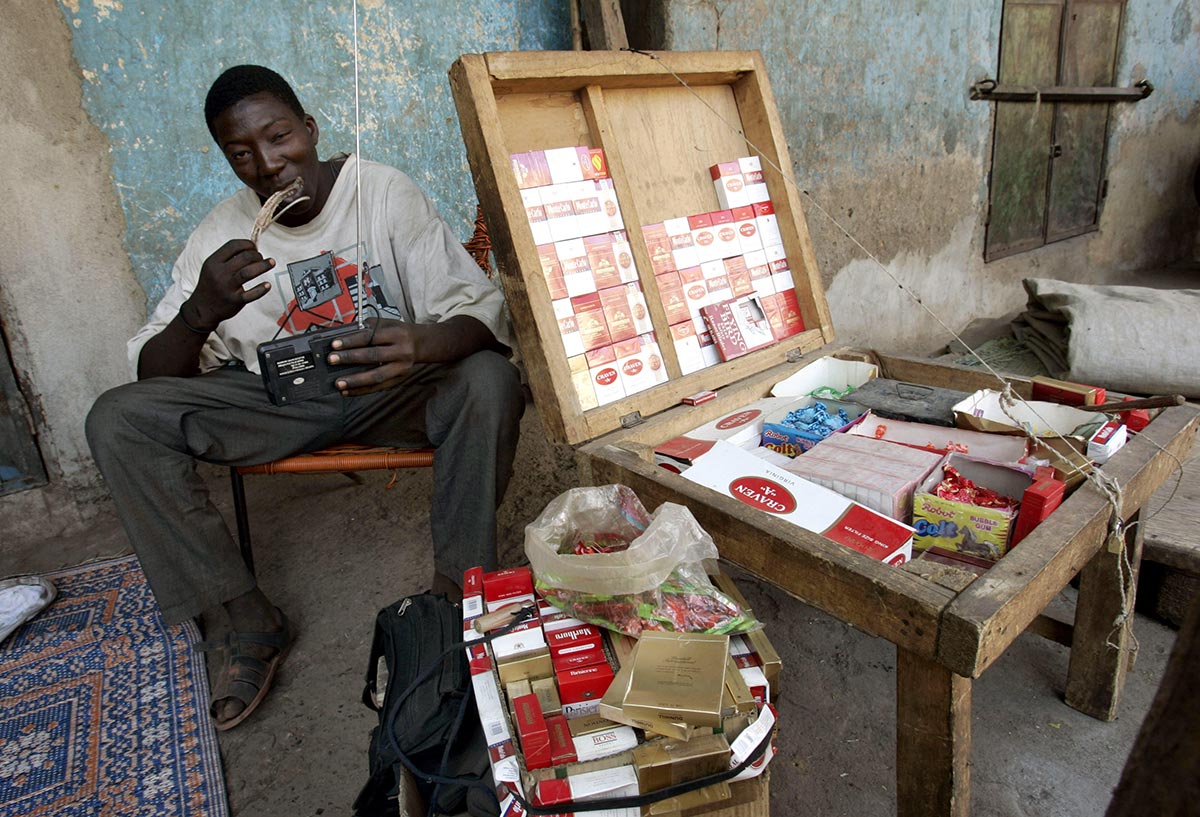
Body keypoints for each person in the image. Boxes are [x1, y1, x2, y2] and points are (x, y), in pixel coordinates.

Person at [85, 65, 524, 731]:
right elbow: (155, 376)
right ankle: (248, 618)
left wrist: (421, 344)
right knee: (117, 420)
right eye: (241, 153)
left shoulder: (381, 193)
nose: (267, 164)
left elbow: (481, 317)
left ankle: (454, 599)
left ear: (310, 129)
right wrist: (199, 312)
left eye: (280, 136)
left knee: (490, 379)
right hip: (276, 401)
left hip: (389, 392)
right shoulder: (219, 235)